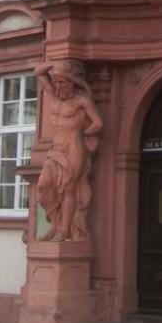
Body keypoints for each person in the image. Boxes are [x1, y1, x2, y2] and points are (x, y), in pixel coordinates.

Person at [34, 60, 103, 242]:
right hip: (55, 149)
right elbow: (38, 73)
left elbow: (98, 123)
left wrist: (82, 133)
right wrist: (53, 65)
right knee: (44, 185)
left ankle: (64, 231)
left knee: (68, 189)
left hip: (74, 147)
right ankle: (55, 224)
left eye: (62, 82)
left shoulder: (82, 101)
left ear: (71, 82)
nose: (58, 85)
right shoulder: (53, 95)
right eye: (56, 81)